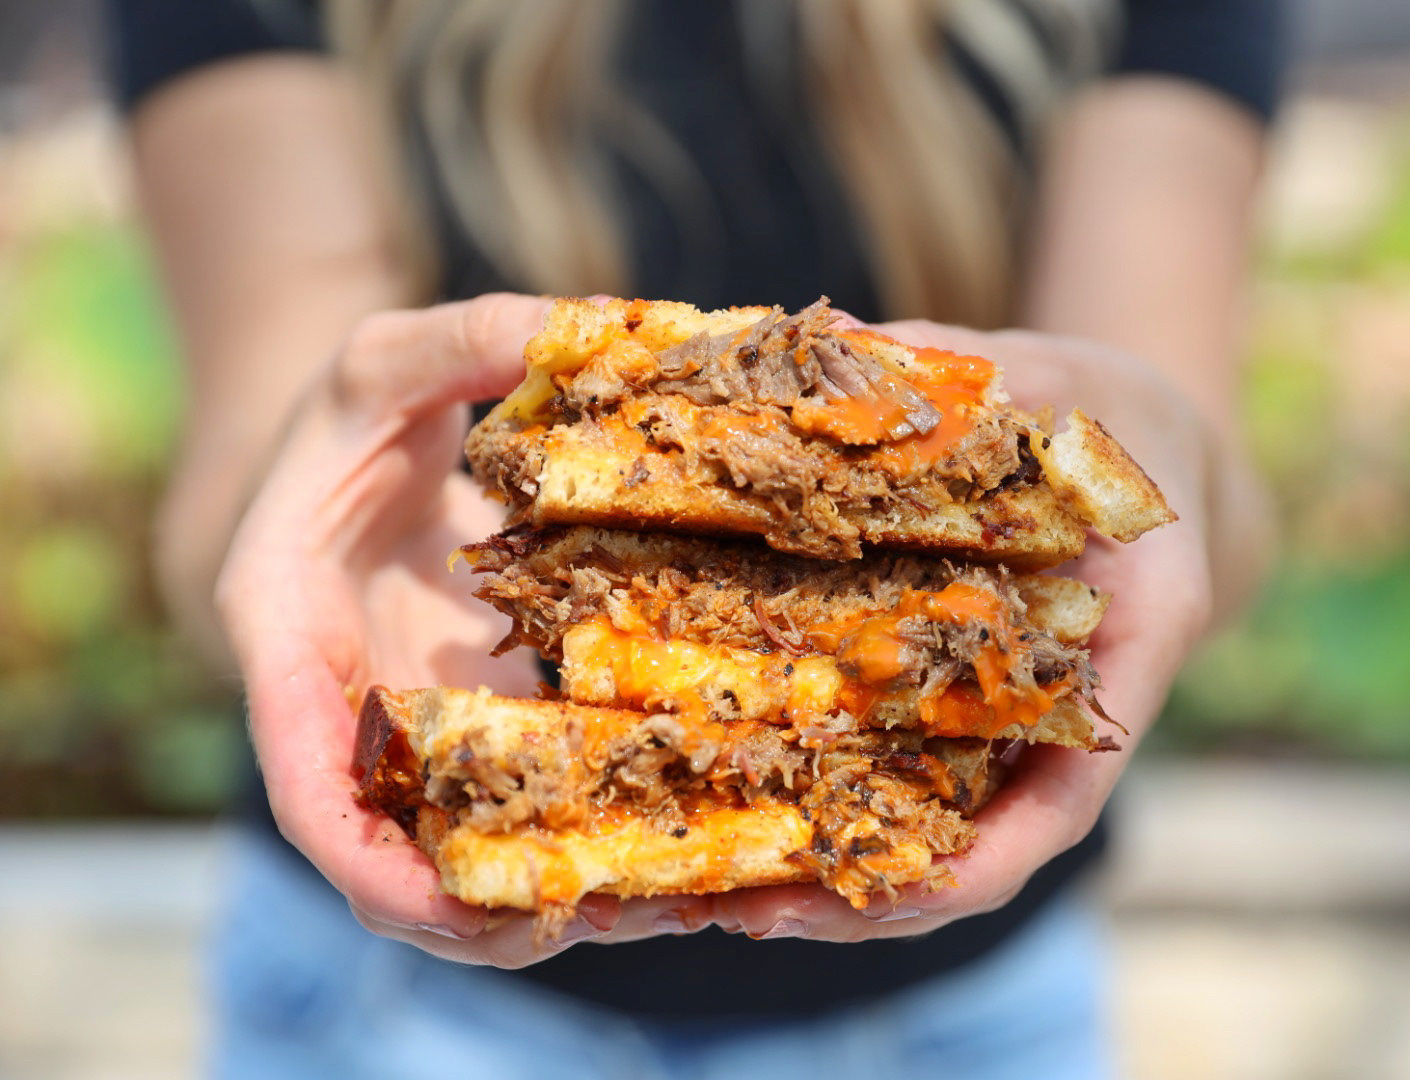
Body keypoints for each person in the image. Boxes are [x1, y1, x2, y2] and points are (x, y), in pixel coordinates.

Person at [108, 1, 1282, 1075]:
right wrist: (332, 517)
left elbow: (1190, 524)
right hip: (391, 1013)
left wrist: (1163, 441)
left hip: (969, 1021)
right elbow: (238, 479)